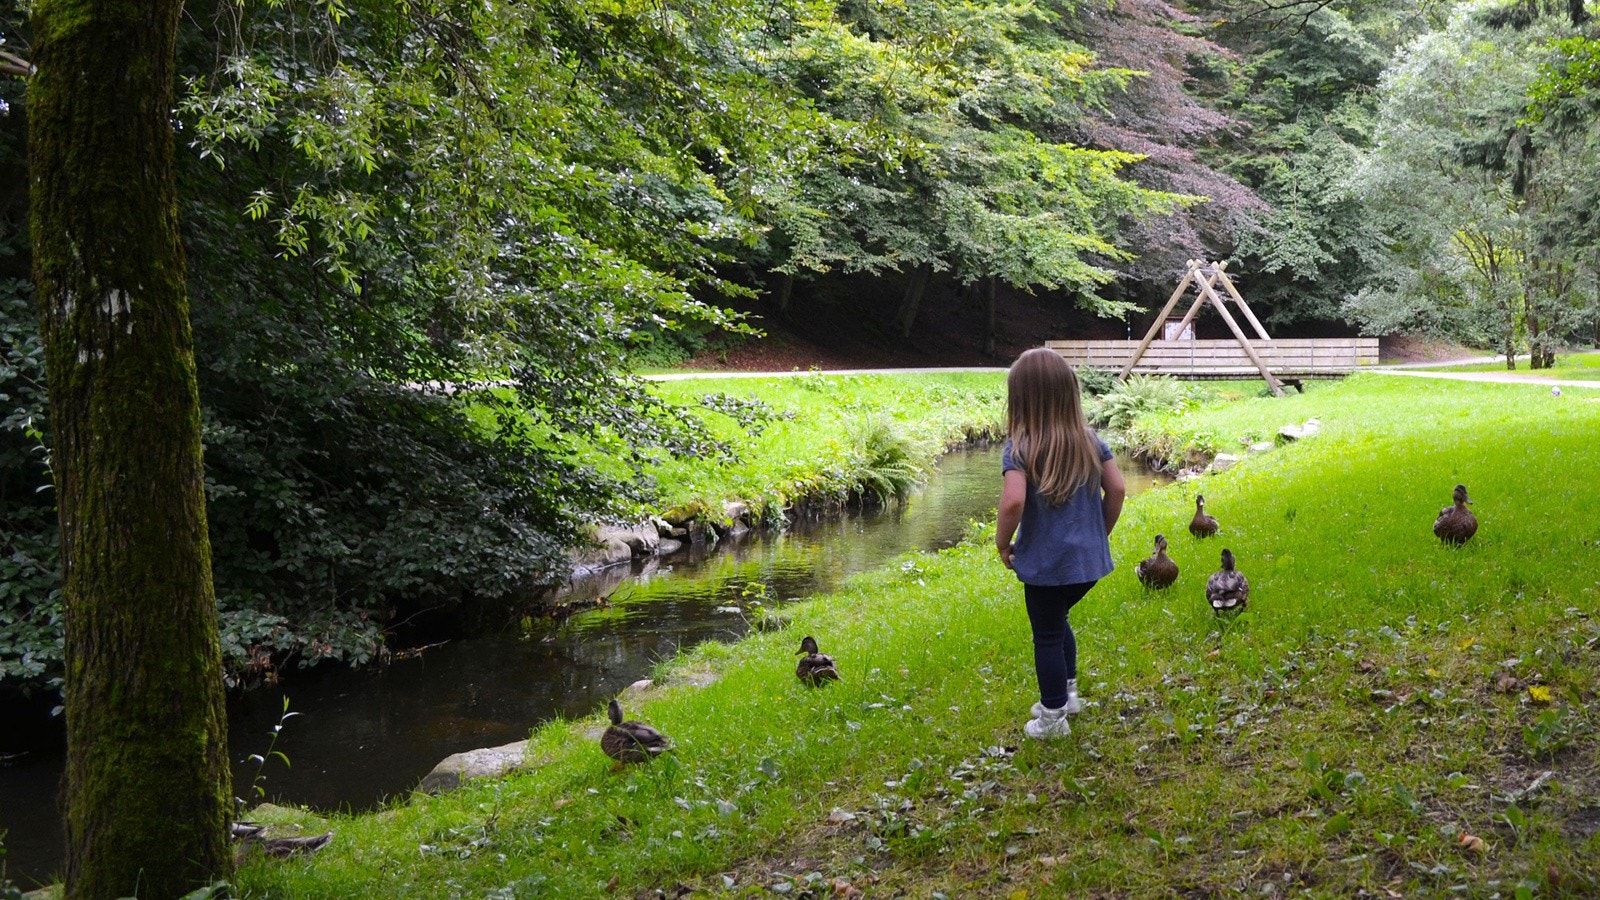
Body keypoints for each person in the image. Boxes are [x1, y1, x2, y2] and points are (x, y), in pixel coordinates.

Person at [996, 348, 1125, 739]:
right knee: (1058, 619)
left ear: (1020, 399)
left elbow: (1013, 502)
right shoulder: (1089, 440)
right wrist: (1098, 535)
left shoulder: (1020, 447)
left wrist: (1002, 543)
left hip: (1046, 566)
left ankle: (1052, 718)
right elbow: (1118, 488)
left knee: (1047, 634)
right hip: (1087, 565)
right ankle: (1067, 696)